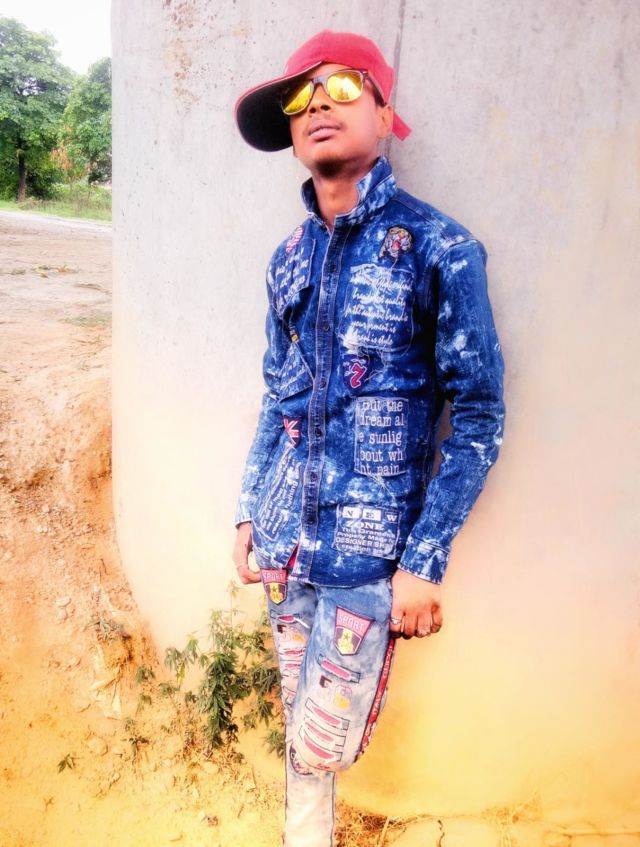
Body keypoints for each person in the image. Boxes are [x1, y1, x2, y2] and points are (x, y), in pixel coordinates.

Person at [231, 29, 505, 847]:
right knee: (298, 722)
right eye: (300, 94)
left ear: (386, 115)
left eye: (344, 86)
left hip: (369, 559)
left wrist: (423, 560)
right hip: (285, 542)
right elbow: (276, 393)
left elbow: (478, 417)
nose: (318, 103)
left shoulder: (440, 250)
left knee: (326, 737)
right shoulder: (286, 259)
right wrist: (248, 507)